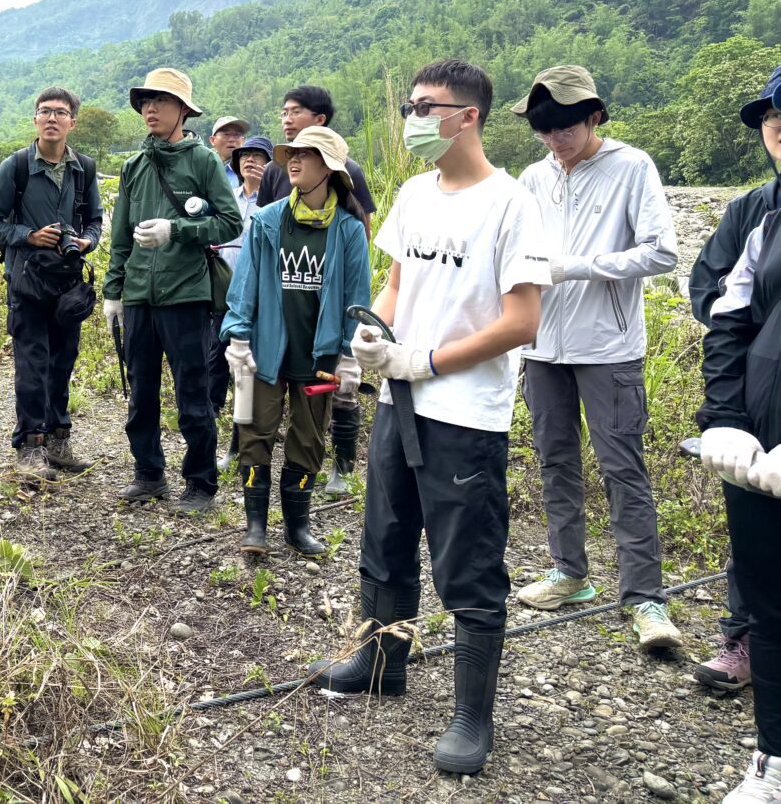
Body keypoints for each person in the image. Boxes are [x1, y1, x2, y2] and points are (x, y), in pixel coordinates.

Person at [308, 59, 549, 778]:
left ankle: (473, 714)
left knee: (468, 563)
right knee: (384, 536)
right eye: (411, 104)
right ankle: (383, 659)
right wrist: (375, 331)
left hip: (464, 413)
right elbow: (397, 281)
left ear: (466, 115)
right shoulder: (416, 191)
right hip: (399, 400)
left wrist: (431, 359)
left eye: (425, 106)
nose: (413, 117)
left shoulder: (511, 204)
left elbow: (524, 319)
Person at [509, 66, 682, 652]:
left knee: (622, 469)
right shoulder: (533, 177)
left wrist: (575, 266)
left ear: (594, 117)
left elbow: (662, 253)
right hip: (543, 346)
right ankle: (570, 572)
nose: (555, 139)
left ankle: (646, 599)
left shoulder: (632, 167)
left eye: (565, 127)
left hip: (607, 348)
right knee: (555, 460)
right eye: (544, 129)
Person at [220, 127, 370, 555]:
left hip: (318, 356)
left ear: (331, 170)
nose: (295, 160)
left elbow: (355, 297)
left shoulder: (348, 230)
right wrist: (239, 337)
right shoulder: (267, 221)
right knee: (254, 432)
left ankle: (297, 528)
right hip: (265, 351)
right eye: (293, 154)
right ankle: (255, 528)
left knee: (308, 439)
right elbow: (244, 284)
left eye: (308, 154)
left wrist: (348, 354)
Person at [103, 68, 242, 514]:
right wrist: (114, 290)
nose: (150, 109)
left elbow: (229, 221)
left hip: (186, 295)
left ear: (182, 109)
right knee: (140, 389)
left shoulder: (202, 161)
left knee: (193, 391)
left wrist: (176, 229)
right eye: (145, 101)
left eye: (160, 101)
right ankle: (148, 475)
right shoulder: (134, 166)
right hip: (141, 294)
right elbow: (121, 234)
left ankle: (200, 483)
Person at [694, 92, 781, 799]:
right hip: (758, 453)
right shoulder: (765, 220)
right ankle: (773, 760)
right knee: (770, 603)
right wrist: (724, 417)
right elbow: (728, 316)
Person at [252, 85, 378, 494]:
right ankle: (256, 510)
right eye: (283, 111)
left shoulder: (349, 188)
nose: (287, 119)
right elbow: (263, 243)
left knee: (315, 425)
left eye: (296, 112)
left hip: (319, 334)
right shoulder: (276, 177)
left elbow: (359, 252)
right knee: (258, 425)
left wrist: (349, 349)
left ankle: (340, 469)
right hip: (275, 329)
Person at [0, 86, 103, 481]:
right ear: (35, 119)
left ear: (72, 122)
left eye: (60, 112)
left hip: (67, 285)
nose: (52, 118)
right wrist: (28, 236)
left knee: (62, 363)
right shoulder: (15, 167)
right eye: (44, 111)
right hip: (28, 282)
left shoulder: (84, 168)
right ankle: (30, 446)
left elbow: (97, 222)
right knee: (32, 365)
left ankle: (58, 440)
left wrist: (87, 241)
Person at [213, 135, 273, 465]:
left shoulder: (275, 202)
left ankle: (239, 445)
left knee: (246, 374)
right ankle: (215, 435)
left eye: (258, 156)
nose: (250, 161)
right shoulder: (227, 197)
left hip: (259, 299)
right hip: (222, 294)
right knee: (216, 365)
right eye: (245, 156)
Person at [209, 115, 250, 187]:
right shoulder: (205, 167)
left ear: (243, 141)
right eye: (226, 134)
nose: (232, 140)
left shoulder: (249, 168)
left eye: (237, 135)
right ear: (212, 140)